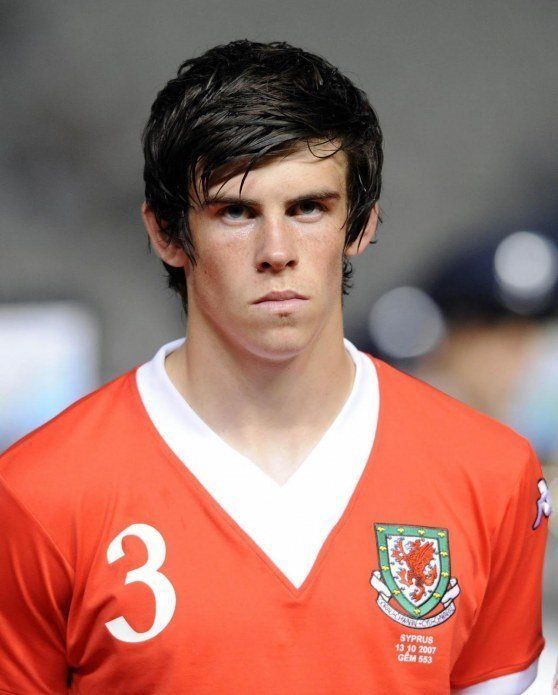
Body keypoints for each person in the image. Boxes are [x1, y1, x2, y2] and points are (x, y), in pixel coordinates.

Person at [0, 39, 550, 694]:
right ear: (167, 233)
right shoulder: (37, 495)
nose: (277, 250)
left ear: (361, 225)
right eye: (235, 211)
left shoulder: (490, 474)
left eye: (308, 207)